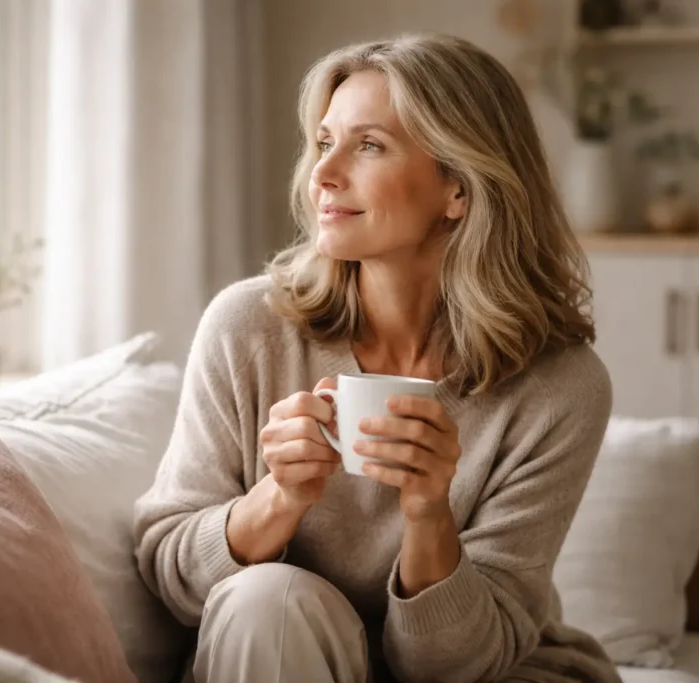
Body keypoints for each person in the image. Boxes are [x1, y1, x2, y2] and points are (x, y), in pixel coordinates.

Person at [133, 32, 621, 683]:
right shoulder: (248, 328)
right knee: (266, 601)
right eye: (324, 142)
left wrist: (428, 515)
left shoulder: (560, 385)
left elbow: (461, 662)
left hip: (488, 670)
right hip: (284, 649)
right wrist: (277, 498)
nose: (324, 175)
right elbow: (173, 575)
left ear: (459, 189)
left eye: (368, 145)